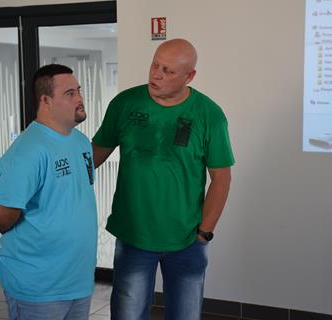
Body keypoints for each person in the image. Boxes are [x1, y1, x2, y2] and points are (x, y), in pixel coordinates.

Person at [92, 38, 235, 320]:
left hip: (186, 239)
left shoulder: (209, 114)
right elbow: (95, 156)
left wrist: (204, 232)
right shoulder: (124, 103)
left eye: (168, 71)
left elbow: (221, 179)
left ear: (189, 76)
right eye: (155, 64)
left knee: (185, 315)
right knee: (127, 315)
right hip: (133, 234)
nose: (156, 74)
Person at [0, 64, 97, 320]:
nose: (80, 99)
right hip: (38, 286)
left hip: (78, 281)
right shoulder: (28, 150)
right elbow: (0, 218)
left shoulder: (81, 142)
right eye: (70, 93)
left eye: (79, 91)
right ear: (46, 100)